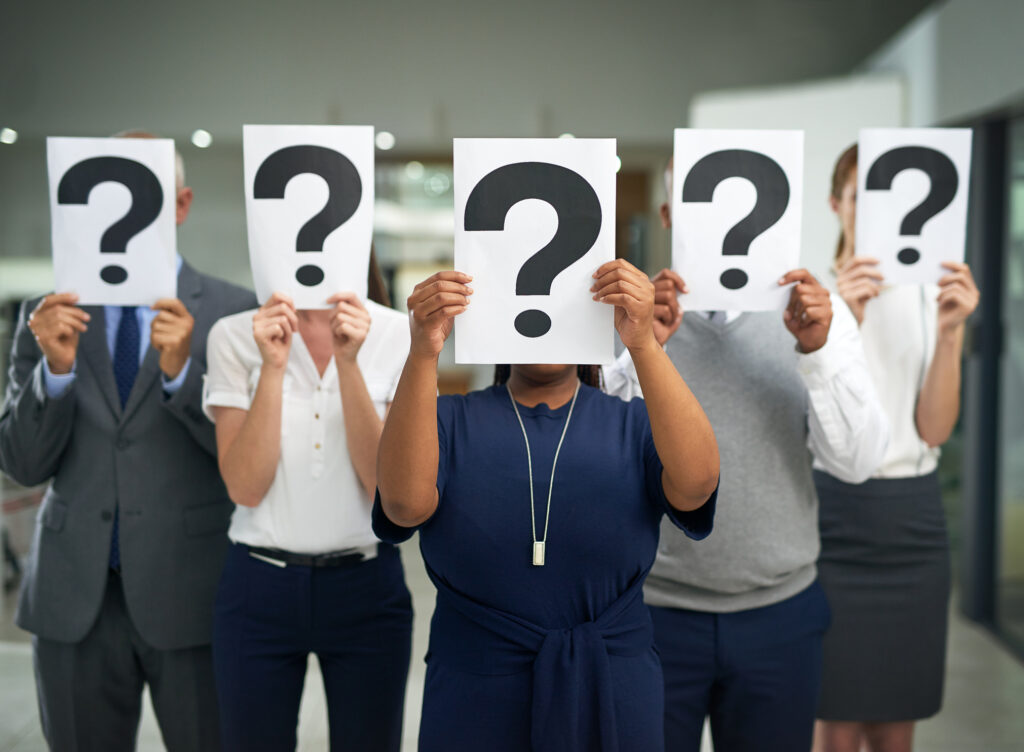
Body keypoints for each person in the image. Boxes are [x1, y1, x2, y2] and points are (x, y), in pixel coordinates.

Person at [373, 259, 719, 752]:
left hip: (611, 684)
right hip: (475, 685)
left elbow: (698, 485)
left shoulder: (635, 423)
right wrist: (423, 353)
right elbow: (404, 505)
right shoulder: (447, 419)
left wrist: (642, 344)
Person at [603, 159, 890, 752]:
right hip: (652, 614)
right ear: (667, 215)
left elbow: (858, 462)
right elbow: (596, 452)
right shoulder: (627, 322)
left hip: (780, 616)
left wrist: (817, 352)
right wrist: (640, 350)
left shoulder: (817, 316)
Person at [0, 132, 256, 751]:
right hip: (72, 597)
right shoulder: (46, 316)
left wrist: (180, 377)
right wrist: (53, 373)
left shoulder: (232, 311)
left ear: (182, 204)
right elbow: (24, 463)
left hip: (192, 592)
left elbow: (246, 464)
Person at [202, 252, 413, 752]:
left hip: (366, 585)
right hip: (258, 586)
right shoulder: (234, 335)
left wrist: (348, 362)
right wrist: (271, 369)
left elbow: (384, 490)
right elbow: (245, 488)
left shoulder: (396, 333)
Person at [812, 145, 980, 752]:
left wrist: (952, 331)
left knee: (894, 728)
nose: (877, 216)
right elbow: (807, 425)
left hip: (912, 522)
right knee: (834, 724)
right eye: (862, 199)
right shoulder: (811, 297)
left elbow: (934, 430)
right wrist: (844, 319)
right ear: (837, 206)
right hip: (834, 515)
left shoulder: (926, 295)